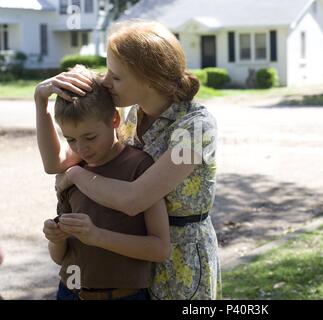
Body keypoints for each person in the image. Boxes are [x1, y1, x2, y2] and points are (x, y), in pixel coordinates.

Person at [34, 21, 221, 300]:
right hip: (132, 258)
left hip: (181, 261)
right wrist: (41, 100)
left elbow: (135, 199)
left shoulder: (195, 127)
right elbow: (56, 163)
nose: (106, 82)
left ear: (150, 78)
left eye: (116, 76)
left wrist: (74, 176)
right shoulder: (133, 116)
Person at [38, 65, 170, 300]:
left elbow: (159, 249)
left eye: (90, 137)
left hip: (125, 295)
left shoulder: (139, 166)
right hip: (70, 292)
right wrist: (55, 239)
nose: (81, 148)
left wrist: (97, 235)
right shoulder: (73, 170)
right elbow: (60, 257)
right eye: (70, 140)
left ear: (115, 119)